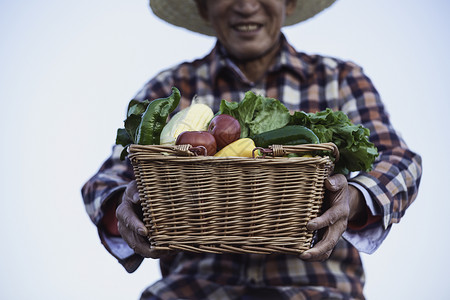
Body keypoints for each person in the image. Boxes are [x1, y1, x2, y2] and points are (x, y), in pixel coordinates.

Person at [82, 0, 422, 299]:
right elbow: (108, 177)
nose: (247, 5)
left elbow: (399, 160)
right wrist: (122, 207)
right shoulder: (171, 87)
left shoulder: (338, 77)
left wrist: (354, 199)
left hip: (319, 289)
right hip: (193, 289)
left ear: (288, 3)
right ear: (204, 7)